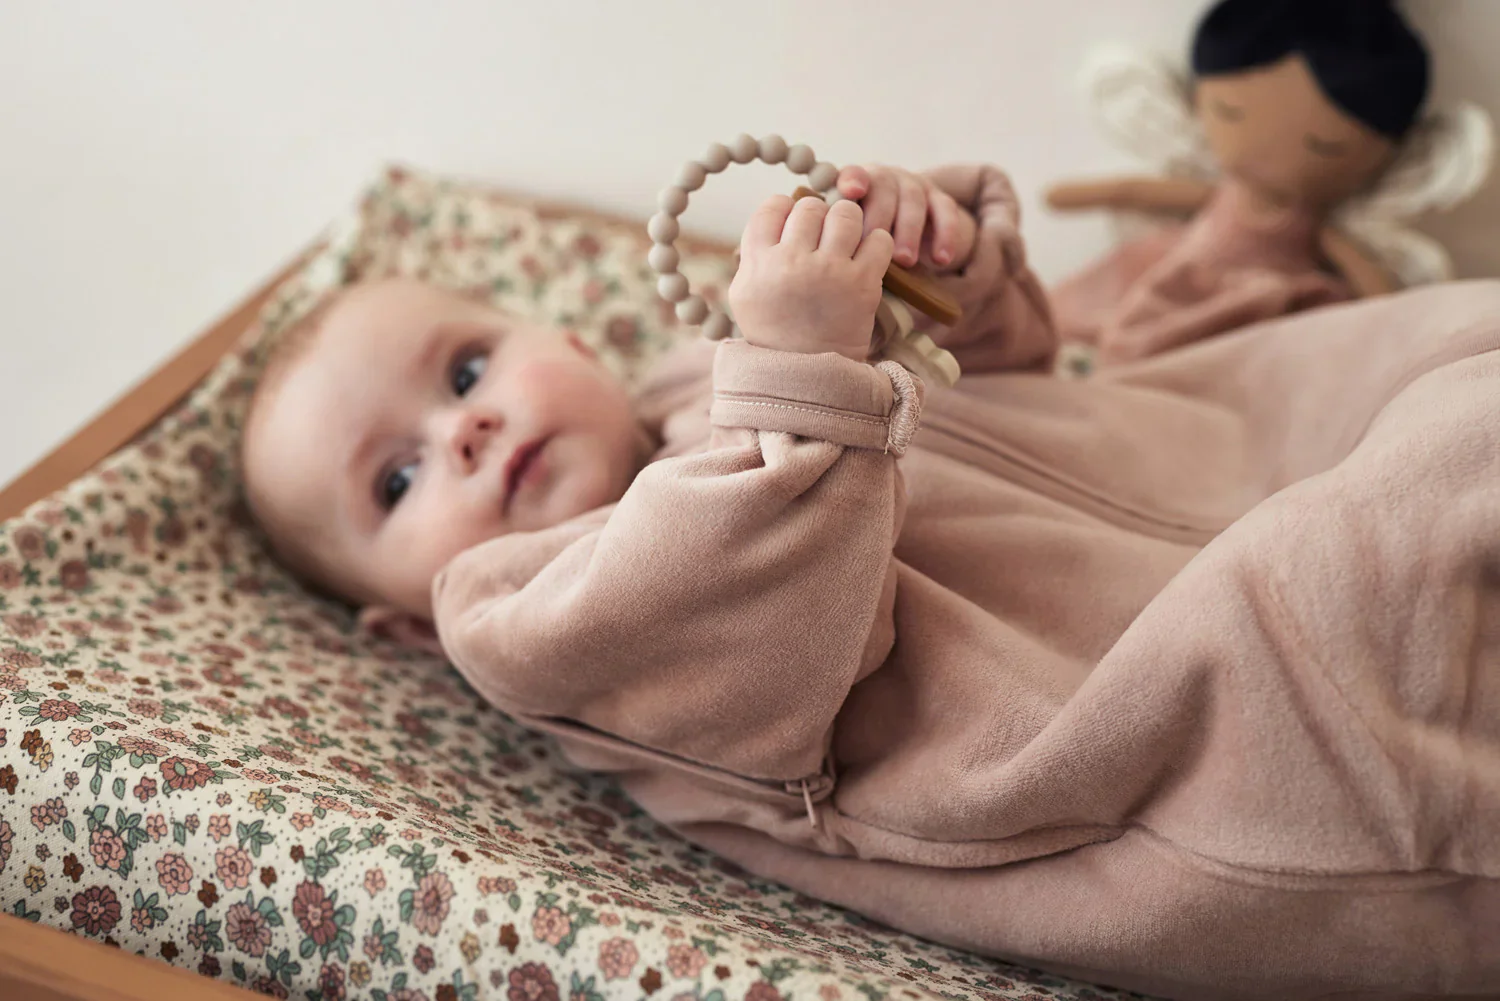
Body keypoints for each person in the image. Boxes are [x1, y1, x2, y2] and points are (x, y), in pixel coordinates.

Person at [242, 161, 1500, 1000]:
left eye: (466, 371)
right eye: (396, 481)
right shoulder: (534, 623)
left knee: (1436, 357)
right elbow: (747, 609)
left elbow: (999, 379)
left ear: (570, 340)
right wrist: (801, 357)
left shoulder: (700, 376)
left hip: (1215, 461)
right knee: (1372, 585)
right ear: (412, 627)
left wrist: (929, 267)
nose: (460, 432)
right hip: (1180, 710)